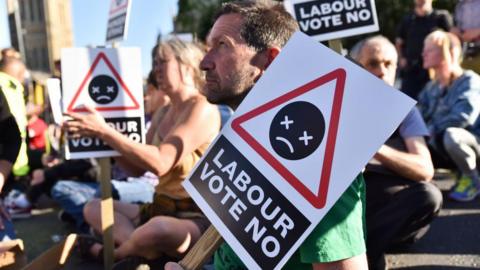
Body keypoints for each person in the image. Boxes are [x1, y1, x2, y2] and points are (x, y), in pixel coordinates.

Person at [169, 1, 368, 269]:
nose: (204, 62)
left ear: (270, 60)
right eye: (208, 47)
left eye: (222, 45)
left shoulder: (315, 164)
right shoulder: (238, 144)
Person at [64, 39, 222, 263]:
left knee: (158, 229)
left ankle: (116, 253)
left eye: (162, 62)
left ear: (186, 65)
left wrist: (104, 131)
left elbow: (161, 162)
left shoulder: (202, 107)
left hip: (194, 217)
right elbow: (136, 169)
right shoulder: (163, 111)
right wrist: (102, 139)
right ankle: (143, 249)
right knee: (93, 208)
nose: (155, 68)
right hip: (158, 207)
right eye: (154, 62)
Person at [351, 35, 441, 270]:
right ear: (357, 67)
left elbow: (425, 169)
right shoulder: (341, 103)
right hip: (356, 203)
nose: (382, 71)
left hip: (395, 212)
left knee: (428, 195)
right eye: (373, 63)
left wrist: (374, 147)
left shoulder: (406, 111)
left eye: (388, 63)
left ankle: (363, 253)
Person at [418, 30, 480, 202]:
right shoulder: (431, 87)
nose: (423, 53)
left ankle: (473, 179)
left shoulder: (470, 81)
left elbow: (463, 116)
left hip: (473, 144)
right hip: (440, 142)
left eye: (429, 49)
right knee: (411, 139)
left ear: (449, 52)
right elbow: (418, 115)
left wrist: (430, 130)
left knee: (451, 135)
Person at [396, 0, 452, 99]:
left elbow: (453, 42)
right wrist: (401, 58)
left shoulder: (441, 17)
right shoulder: (407, 20)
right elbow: (399, 42)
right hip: (411, 70)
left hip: (434, 71)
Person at [450, 0, 480, 74]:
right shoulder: (459, 5)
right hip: (465, 52)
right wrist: (456, 31)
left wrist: (477, 31)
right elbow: (457, 25)